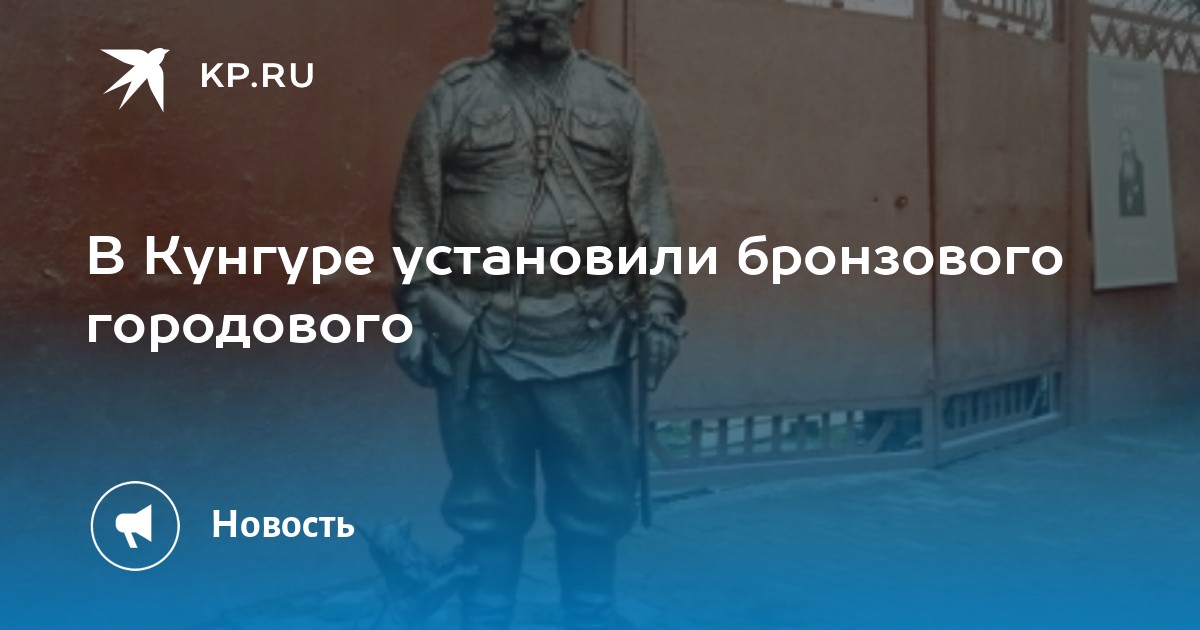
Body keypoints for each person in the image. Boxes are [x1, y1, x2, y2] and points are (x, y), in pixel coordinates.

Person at [389, 1, 685, 628]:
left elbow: (652, 213)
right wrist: (417, 310)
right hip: (478, 335)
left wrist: (660, 306)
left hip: (591, 334)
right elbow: (414, 213)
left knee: (595, 497)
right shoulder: (454, 95)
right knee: (486, 502)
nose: (530, 6)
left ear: (576, 6)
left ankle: (592, 615)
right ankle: (484, 615)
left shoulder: (617, 100)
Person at [1118, 127, 1146, 218]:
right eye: (1122, 145)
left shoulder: (1140, 168)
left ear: (1132, 144)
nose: (1125, 148)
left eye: (1127, 143)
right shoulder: (1121, 173)